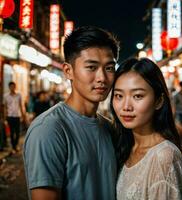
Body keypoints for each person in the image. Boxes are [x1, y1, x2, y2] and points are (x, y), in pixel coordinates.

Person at [23, 26, 120, 200]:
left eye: (109, 68)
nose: (102, 78)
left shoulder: (109, 128)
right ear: (68, 71)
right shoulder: (49, 129)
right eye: (91, 67)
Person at [110, 58, 182, 200]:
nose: (126, 106)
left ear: (158, 101)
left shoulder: (164, 157)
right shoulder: (125, 146)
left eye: (137, 96)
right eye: (119, 96)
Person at [3, 82, 25, 153]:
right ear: (9, 87)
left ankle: (16, 145)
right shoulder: (6, 96)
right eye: (11, 87)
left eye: (13, 86)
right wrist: (4, 116)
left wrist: (23, 115)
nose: (12, 88)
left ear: (15, 87)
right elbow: (5, 107)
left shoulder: (19, 95)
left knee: (18, 132)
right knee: (12, 132)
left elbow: (21, 105)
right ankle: (13, 147)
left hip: (17, 116)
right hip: (10, 116)